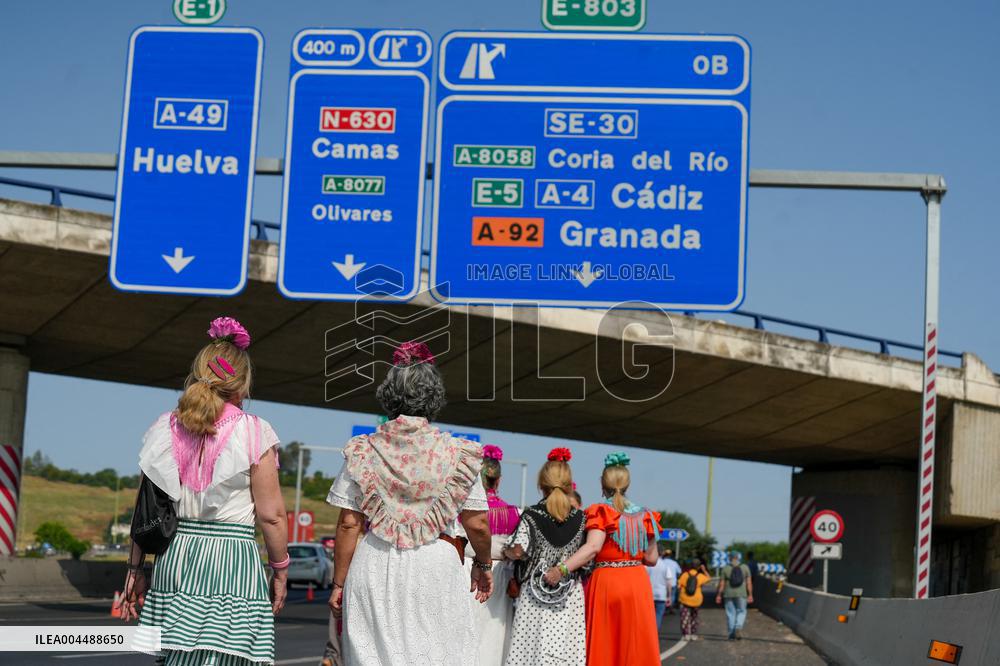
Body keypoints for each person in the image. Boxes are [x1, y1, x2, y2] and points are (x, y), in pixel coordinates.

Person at [119, 317, 288, 665]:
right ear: (241, 385)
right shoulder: (255, 432)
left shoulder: (165, 427)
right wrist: (280, 568)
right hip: (232, 560)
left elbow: (145, 508)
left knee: (179, 656)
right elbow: (272, 517)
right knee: (226, 657)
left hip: (176, 558)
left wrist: (134, 570)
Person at [326, 341, 494, 666]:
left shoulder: (364, 449)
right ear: (434, 398)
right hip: (436, 565)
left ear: (389, 396)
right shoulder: (458, 453)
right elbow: (477, 524)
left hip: (374, 561)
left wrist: (338, 583)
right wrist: (483, 565)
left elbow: (349, 523)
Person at [557, 452, 662, 665]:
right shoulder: (647, 516)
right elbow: (652, 558)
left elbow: (593, 547)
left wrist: (561, 569)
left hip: (606, 581)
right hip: (637, 583)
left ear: (602, 483)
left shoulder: (600, 511)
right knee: (635, 641)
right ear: (627, 484)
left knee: (605, 642)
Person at [503, 448, 587, 666]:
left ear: (541, 484)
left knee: (530, 651)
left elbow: (519, 550)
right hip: (569, 596)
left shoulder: (532, 515)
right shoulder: (581, 519)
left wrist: (505, 550)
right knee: (566, 653)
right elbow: (588, 560)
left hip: (535, 595)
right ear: (569, 485)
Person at [467, 443, 520, 666]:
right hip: (500, 574)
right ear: (498, 480)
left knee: (468, 628)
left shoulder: (468, 510)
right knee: (495, 631)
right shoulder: (513, 513)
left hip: (469, 571)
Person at [716, 552, 754, 640]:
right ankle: (738, 627)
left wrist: (718, 595)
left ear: (730, 558)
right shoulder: (745, 567)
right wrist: (750, 595)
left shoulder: (725, 568)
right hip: (742, 593)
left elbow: (721, 584)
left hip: (728, 594)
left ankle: (731, 634)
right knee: (741, 611)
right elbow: (749, 583)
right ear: (738, 557)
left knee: (730, 613)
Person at [677, 559, 712, 641]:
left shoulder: (685, 575)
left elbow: (679, 585)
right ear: (699, 567)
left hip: (684, 599)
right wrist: (704, 570)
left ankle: (686, 635)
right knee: (694, 618)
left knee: (685, 618)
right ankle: (693, 634)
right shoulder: (700, 576)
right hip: (696, 600)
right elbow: (709, 578)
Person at [646, 544, 675, 629]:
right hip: (661, 595)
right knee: (658, 615)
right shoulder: (665, 566)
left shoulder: (647, 564)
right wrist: (669, 596)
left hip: (648, 594)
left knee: (648, 616)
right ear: (662, 553)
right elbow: (669, 582)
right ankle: (655, 634)